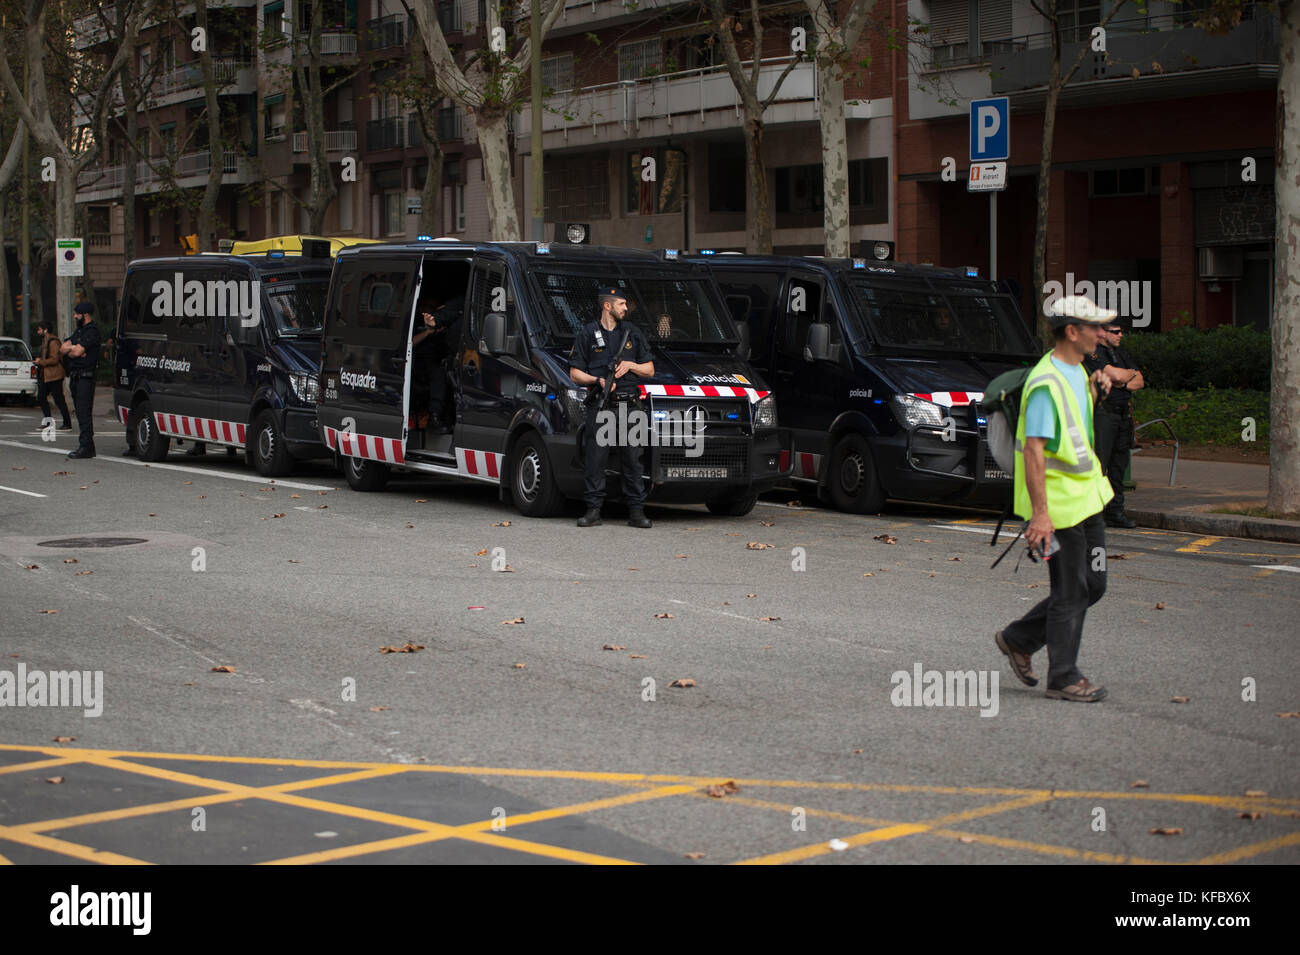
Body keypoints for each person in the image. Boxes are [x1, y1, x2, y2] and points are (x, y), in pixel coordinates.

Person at [993, 294, 1116, 703]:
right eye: (1095, 327)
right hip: (1058, 508)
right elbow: (1034, 450)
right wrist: (1040, 516)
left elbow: (1074, 428)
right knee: (1071, 590)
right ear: (1071, 331)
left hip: (1088, 499)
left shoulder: (1078, 370)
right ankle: (1063, 676)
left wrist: (1098, 390)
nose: (1102, 334)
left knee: (1093, 585)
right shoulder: (1045, 384)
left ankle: (1019, 638)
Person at [569, 287, 655, 529]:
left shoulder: (632, 333)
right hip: (603, 405)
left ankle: (636, 513)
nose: (625, 308)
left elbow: (649, 369)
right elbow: (575, 373)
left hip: (630, 405)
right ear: (607, 306)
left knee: (633, 459)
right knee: (596, 459)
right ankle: (593, 511)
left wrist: (630, 365)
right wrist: (598, 381)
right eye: (621, 304)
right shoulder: (588, 333)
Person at [1084, 319, 1144, 528]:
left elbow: (1140, 381)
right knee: (1099, 465)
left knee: (1119, 467)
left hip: (1122, 416)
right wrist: (1125, 377)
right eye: (1116, 331)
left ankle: (1115, 512)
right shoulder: (1093, 353)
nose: (1120, 335)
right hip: (1104, 414)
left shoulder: (1122, 354)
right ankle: (1093, 513)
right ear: (1102, 332)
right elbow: (1113, 374)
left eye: (1121, 331)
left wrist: (1122, 380)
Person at [61, 301, 101, 459]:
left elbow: (77, 353)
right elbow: (63, 348)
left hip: (86, 376)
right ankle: (86, 445)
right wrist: (72, 349)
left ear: (85, 315)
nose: (75, 316)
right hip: (76, 375)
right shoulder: (79, 331)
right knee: (79, 411)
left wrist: (73, 349)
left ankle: (86, 446)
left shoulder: (92, 331)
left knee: (84, 411)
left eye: (77, 314)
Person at [33, 321, 73, 432]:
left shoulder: (53, 341)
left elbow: (54, 359)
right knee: (41, 397)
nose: (38, 332)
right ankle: (48, 422)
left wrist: (40, 362)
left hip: (54, 375)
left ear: (45, 330)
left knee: (58, 399)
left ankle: (67, 423)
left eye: (39, 329)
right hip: (46, 375)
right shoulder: (45, 341)